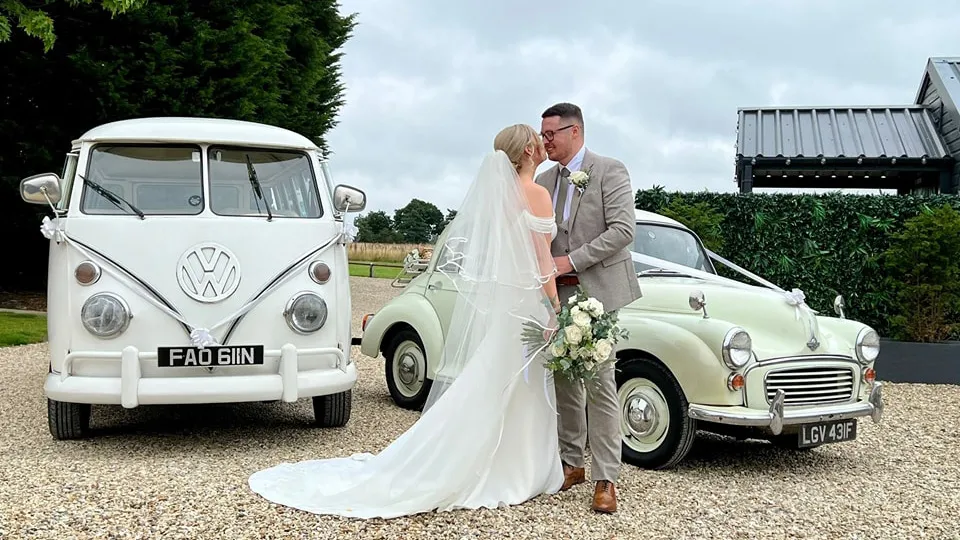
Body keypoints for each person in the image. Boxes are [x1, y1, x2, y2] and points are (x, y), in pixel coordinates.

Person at [247, 124, 566, 519]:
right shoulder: (536, 194)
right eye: (538, 139)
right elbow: (541, 261)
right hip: (526, 305)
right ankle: (518, 468)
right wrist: (555, 306)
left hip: (506, 306)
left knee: (497, 381)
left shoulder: (498, 198)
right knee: (519, 383)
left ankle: (489, 460)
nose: (542, 142)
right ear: (531, 151)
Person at [535, 102, 642, 514]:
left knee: (600, 384)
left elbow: (622, 231)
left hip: (599, 293)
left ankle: (606, 479)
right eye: (542, 135)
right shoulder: (544, 179)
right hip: (556, 297)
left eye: (551, 134)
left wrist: (571, 261)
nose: (545, 141)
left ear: (574, 132)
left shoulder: (610, 170)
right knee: (564, 380)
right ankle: (571, 463)